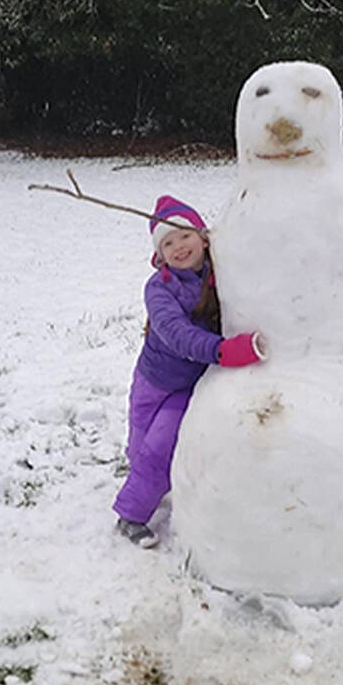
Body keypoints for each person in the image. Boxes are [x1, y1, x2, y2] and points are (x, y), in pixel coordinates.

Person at [113, 194, 266, 547]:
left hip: (188, 387)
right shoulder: (159, 289)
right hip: (153, 379)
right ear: (159, 255)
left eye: (184, 235)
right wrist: (222, 351)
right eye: (168, 242)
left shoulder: (221, 274)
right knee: (140, 446)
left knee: (160, 446)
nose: (179, 247)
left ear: (202, 236)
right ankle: (143, 480)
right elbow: (176, 334)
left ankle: (130, 515)